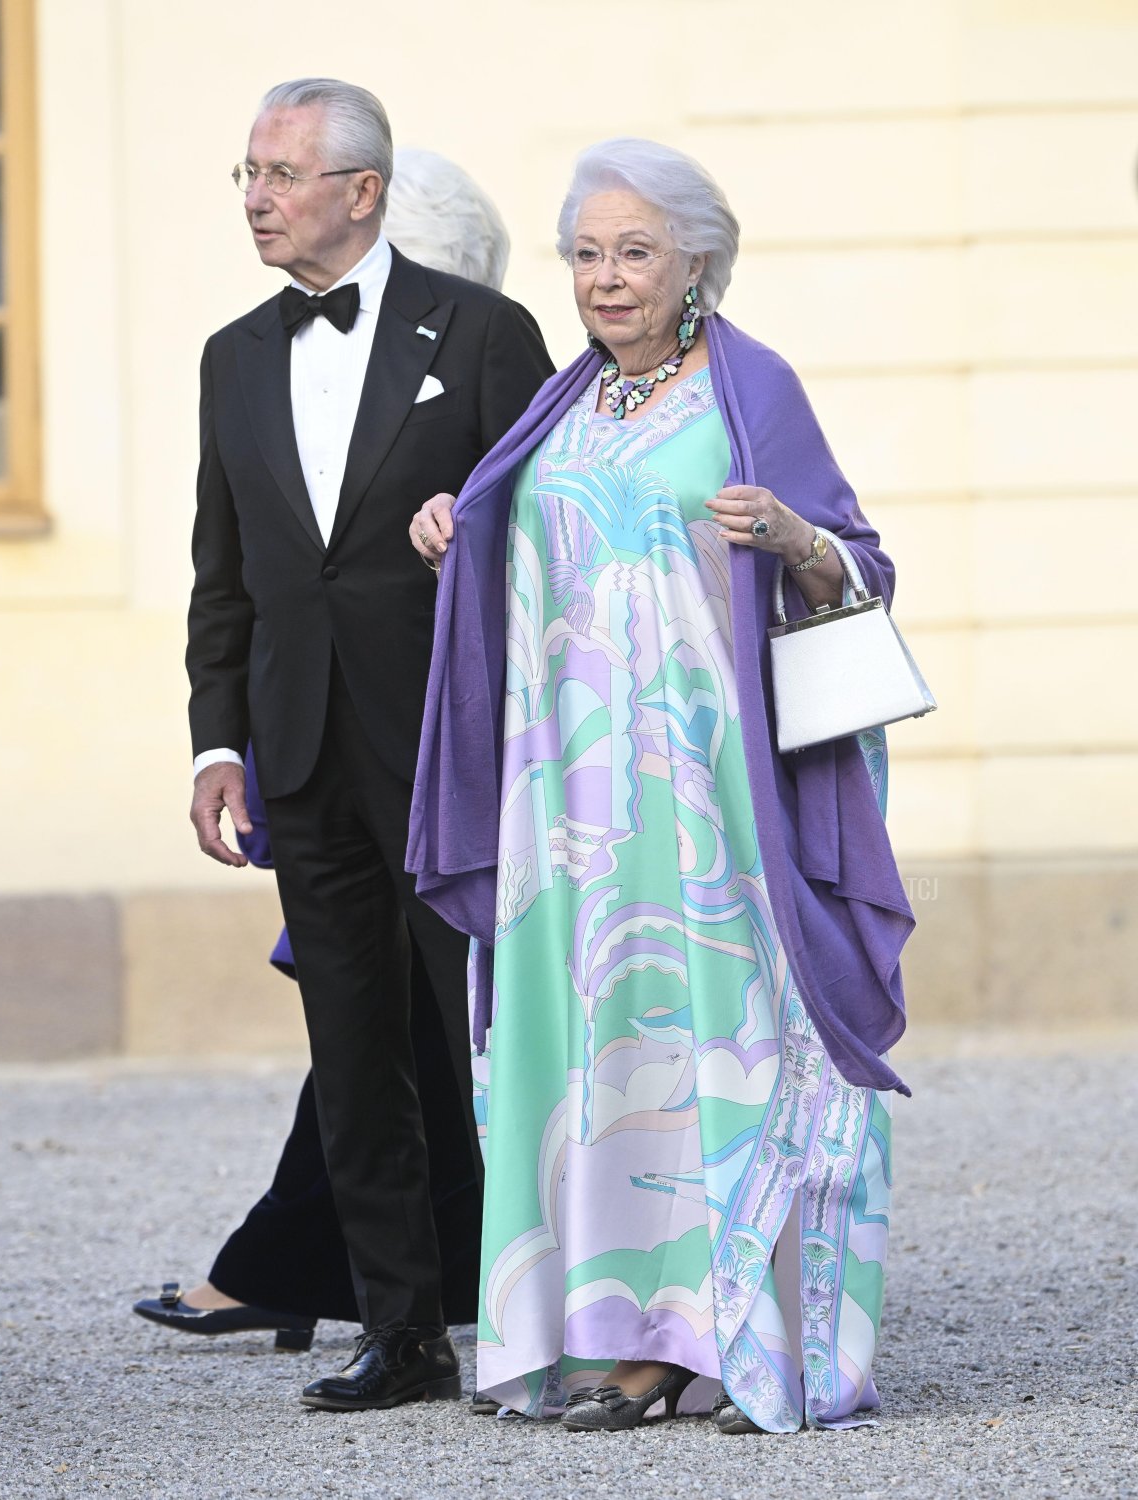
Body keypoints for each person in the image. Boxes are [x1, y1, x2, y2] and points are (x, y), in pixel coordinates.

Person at [407, 137, 915, 1434]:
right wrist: (453, 539)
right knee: (602, 1059)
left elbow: (860, 568)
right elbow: (520, 569)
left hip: (713, 812)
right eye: (587, 253)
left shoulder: (752, 392)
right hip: (573, 817)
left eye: (635, 252)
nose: (606, 278)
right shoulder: (564, 404)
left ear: (695, 261)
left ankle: (754, 1341)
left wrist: (793, 538)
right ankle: (629, 1342)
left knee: (730, 1052)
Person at [185, 80, 553, 1413]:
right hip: (300, 753)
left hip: (460, 749)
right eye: (248, 173)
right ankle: (403, 1331)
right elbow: (222, 576)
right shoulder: (232, 357)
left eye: (282, 173)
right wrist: (212, 746)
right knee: (355, 1047)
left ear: (365, 192)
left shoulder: (488, 331)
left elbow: (550, 528)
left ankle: (554, 1305)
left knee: (515, 1032)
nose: (258, 197)